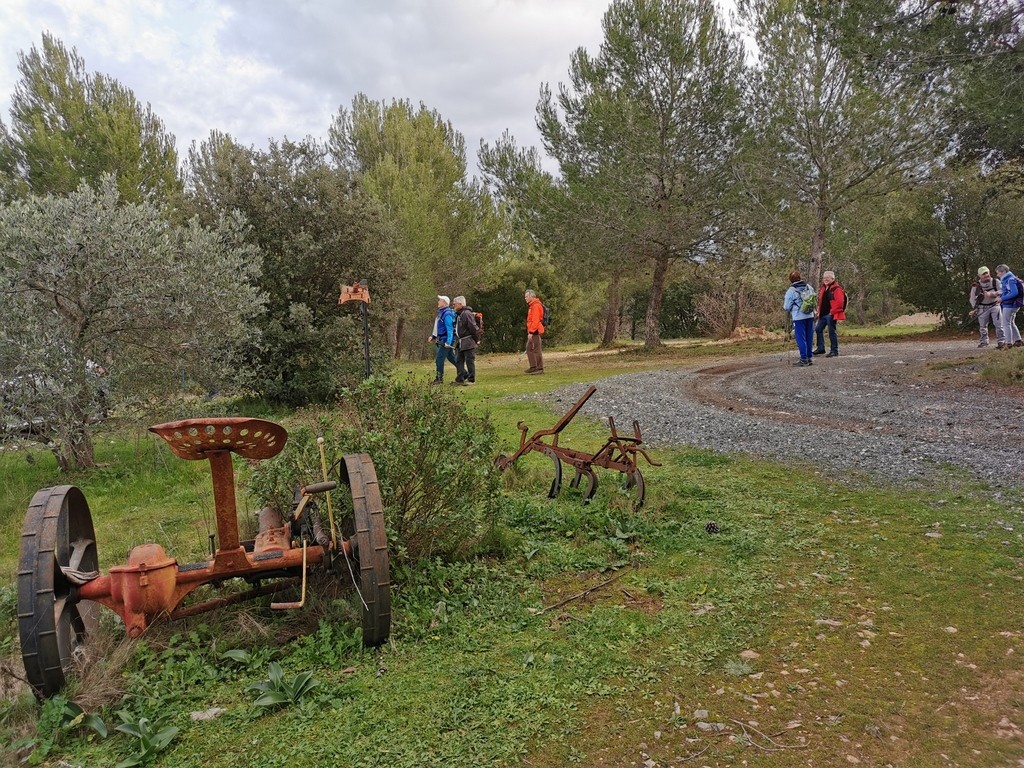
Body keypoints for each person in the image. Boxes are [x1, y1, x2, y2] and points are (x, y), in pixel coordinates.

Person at [783, 270, 816, 366]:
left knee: (800, 338)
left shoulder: (791, 291)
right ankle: (809, 357)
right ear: (800, 277)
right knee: (809, 336)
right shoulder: (809, 287)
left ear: (791, 280)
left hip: (798, 317)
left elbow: (786, 307)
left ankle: (803, 358)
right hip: (810, 315)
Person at [812, 271, 847, 357]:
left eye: (827, 278)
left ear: (833, 278)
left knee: (832, 332)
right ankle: (821, 348)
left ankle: (834, 350)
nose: (825, 279)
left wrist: (832, 312)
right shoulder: (823, 288)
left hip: (831, 314)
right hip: (823, 314)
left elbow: (840, 303)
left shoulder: (837, 289)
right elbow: (821, 301)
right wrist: (819, 311)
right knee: (818, 329)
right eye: (824, 278)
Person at [969, 266, 1004, 348]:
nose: (986, 275)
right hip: (982, 307)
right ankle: (984, 341)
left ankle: (1001, 341)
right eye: (983, 274)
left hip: (995, 305)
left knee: (999, 324)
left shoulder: (996, 281)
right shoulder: (976, 285)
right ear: (979, 275)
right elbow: (972, 298)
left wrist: (992, 294)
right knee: (982, 326)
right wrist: (975, 308)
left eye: (986, 273)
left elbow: (1002, 291)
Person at [427, 295, 457, 384]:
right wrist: (433, 336)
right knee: (452, 358)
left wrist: (448, 342)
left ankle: (439, 378)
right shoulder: (441, 313)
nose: (438, 302)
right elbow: (439, 327)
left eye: (440, 300)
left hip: (446, 341)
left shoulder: (447, 314)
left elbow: (449, 329)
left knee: (439, 359)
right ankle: (464, 373)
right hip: (442, 339)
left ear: (444, 303)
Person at [451, 295, 481, 386]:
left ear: (460, 304)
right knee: (458, 360)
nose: (453, 306)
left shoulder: (466, 313)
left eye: (454, 304)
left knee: (469, 360)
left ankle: (471, 380)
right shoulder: (459, 314)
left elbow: (473, 327)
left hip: (468, 341)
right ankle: (460, 379)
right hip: (461, 342)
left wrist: (477, 339)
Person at [995, 263, 1024, 348]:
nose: (997, 275)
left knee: (1006, 323)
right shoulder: (1012, 278)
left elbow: (1014, 293)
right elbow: (1008, 291)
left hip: (1010, 305)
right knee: (1011, 322)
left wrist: (1002, 299)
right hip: (1014, 304)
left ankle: (1008, 343)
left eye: (998, 273)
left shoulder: (1009, 280)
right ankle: (1018, 340)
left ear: (1003, 272)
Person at [524, 289, 545, 374]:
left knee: (536, 349)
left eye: (526, 296)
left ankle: (539, 368)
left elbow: (535, 320)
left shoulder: (536, 306)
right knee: (529, 348)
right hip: (532, 330)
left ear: (532, 296)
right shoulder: (532, 305)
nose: (525, 298)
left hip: (535, 330)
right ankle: (533, 366)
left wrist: (531, 332)